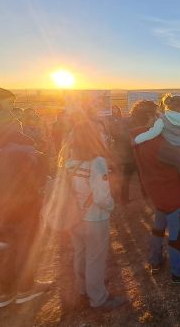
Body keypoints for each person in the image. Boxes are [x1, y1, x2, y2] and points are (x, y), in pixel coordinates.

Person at [61, 121, 125, 309]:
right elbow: (101, 197)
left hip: (74, 217)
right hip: (94, 218)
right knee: (95, 259)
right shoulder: (97, 162)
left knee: (80, 254)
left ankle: (82, 289)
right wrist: (111, 206)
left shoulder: (69, 162)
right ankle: (98, 298)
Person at [132, 113, 180, 284]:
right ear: (150, 120)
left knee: (158, 230)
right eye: (156, 115)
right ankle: (179, 273)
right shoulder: (158, 143)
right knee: (176, 236)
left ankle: (155, 261)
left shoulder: (136, 139)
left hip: (158, 194)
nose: (160, 118)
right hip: (174, 196)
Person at [133, 94, 180, 195]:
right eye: (157, 114)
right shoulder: (157, 141)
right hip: (167, 195)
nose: (159, 115)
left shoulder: (152, 133)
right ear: (150, 117)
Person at [111, 101, 158, 204]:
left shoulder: (130, 120)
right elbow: (124, 136)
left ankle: (127, 198)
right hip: (133, 153)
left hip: (130, 154)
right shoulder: (137, 121)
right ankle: (144, 196)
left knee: (130, 178)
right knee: (138, 177)